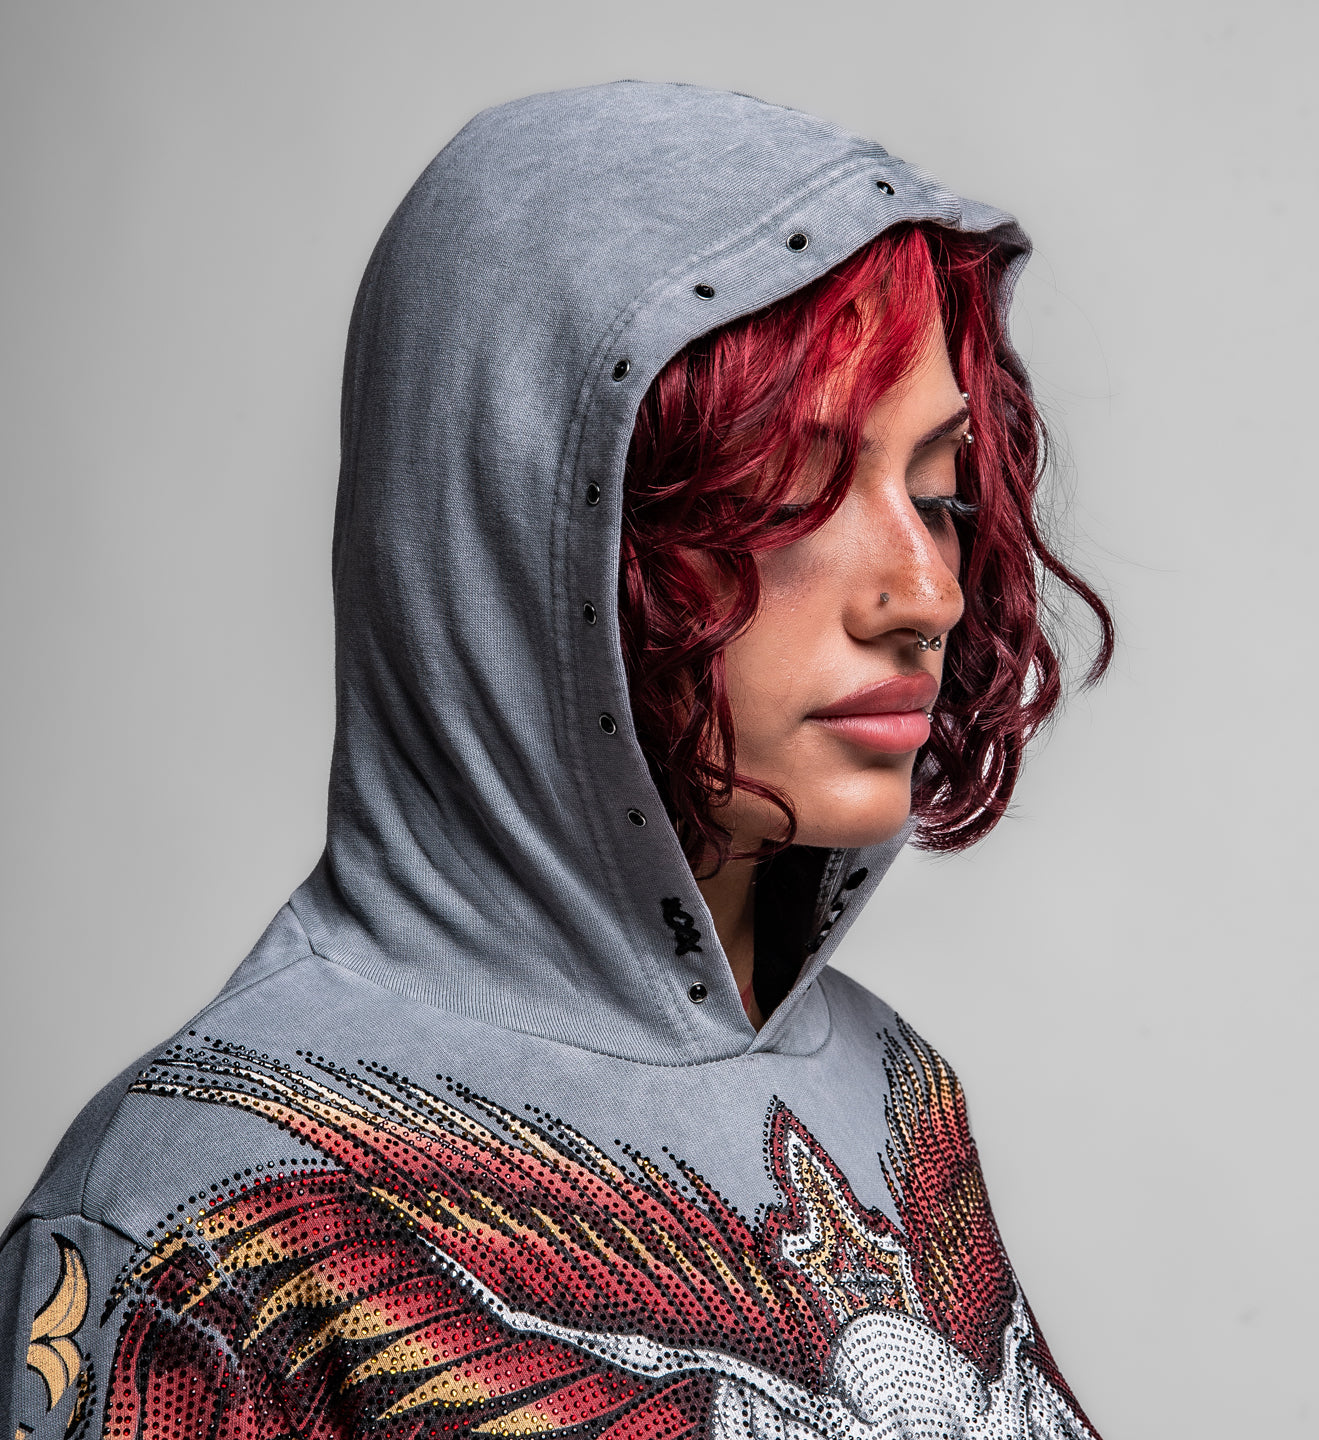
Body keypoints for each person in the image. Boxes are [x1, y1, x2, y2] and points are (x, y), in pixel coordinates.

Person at [1, 82, 1111, 1439]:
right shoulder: (203, 1222)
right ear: (522, 536)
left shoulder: (894, 1100)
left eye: (938, 492)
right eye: (794, 490)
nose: (926, 592)